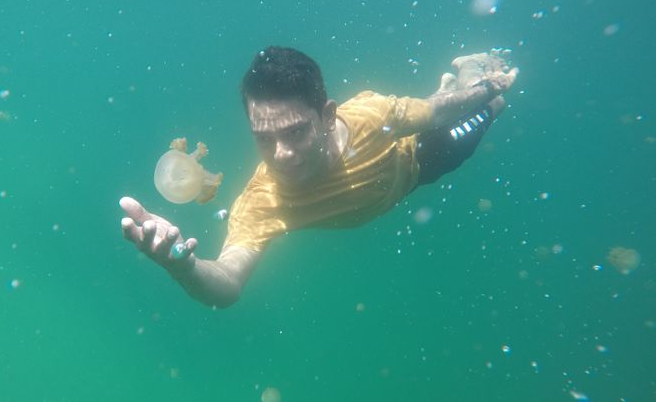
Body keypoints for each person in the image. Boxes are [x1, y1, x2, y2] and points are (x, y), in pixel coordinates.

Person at [120, 47, 518, 308]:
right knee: (455, 106)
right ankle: (461, 83)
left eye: (295, 131)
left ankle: (467, 72)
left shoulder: (371, 114)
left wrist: (486, 88)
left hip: (419, 159)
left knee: (489, 108)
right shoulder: (262, 202)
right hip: (400, 182)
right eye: (264, 139)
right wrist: (183, 268)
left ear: (327, 117)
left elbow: (434, 114)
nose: (282, 154)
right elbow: (226, 282)